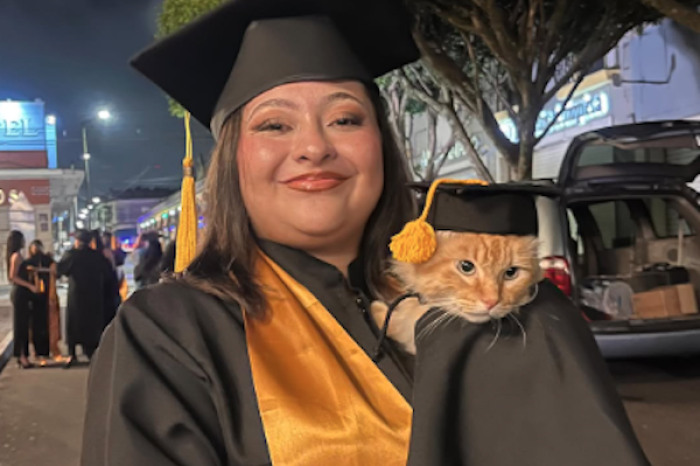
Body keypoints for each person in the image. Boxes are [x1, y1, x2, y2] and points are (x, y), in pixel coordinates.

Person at [82, 1, 650, 465]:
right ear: (233, 160)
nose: (314, 146)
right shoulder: (171, 333)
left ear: (381, 143)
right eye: (275, 124)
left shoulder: (510, 308)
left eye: (345, 118)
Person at [57, 230, 116, 368]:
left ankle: (72, 353)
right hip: (94, 295)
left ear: (77, 241)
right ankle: (92, 352)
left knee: (74, 322)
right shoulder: (97, 256)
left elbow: (61, 270)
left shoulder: (71, 254)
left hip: (76, 295)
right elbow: (108, 274)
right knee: (92, 323)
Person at [6, 230, 37, 369]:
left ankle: (22, 355)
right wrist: (30, 286)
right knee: (21, 325)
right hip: (20, 293)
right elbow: (13, 277)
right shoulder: (16, 256)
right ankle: (22, 356)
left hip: (21, 293)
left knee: (23, 324)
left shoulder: (15, 256)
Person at [26, 240, 54, 364]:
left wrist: (39, 270)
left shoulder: (46, 260)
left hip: (45, 294)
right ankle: (37, 350)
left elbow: (54, 270)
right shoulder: (28, 262)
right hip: (33, 296)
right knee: (35, 323)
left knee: (45, 322)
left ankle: (45, 349)